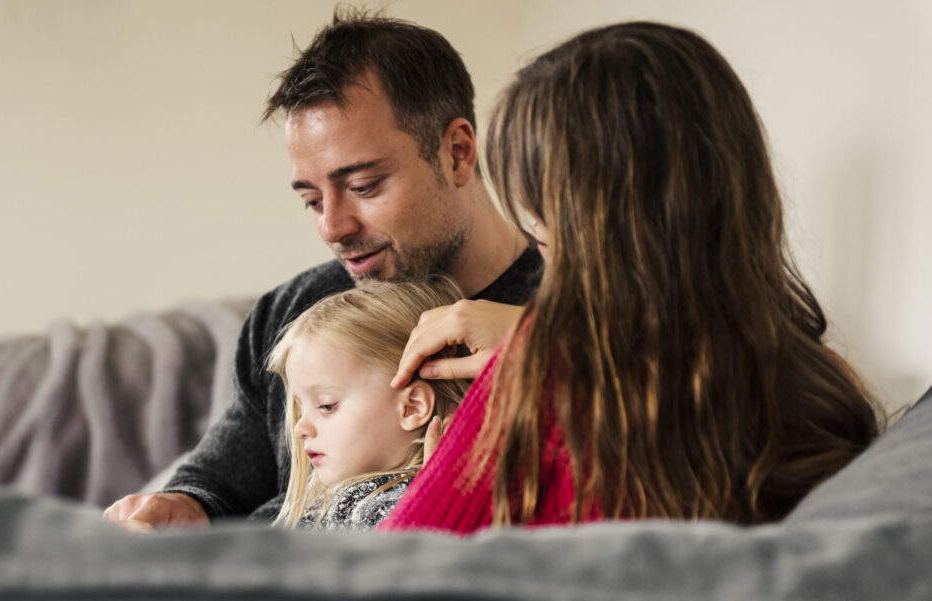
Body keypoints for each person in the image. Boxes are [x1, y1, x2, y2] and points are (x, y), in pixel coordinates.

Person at [379, 21, 880, 534]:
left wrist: (432, 481)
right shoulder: (821, 388)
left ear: (603, 223)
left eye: (544, 204)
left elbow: (384, 577)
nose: (535, 231)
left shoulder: (542, 379)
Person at [103, 10, 540, 530]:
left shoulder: (575, 316)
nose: (333, 228)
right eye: (312, 200)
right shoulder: (295, 312)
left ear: (458, 153)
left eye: (363, 187)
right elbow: (218, 483)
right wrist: (181, 505)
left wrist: (548, 349)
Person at [268, 278, 468, 531]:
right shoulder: (335, 502)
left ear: (412, 407)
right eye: (300, 407)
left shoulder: (393, 510)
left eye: (326, 406)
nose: (300, 428)